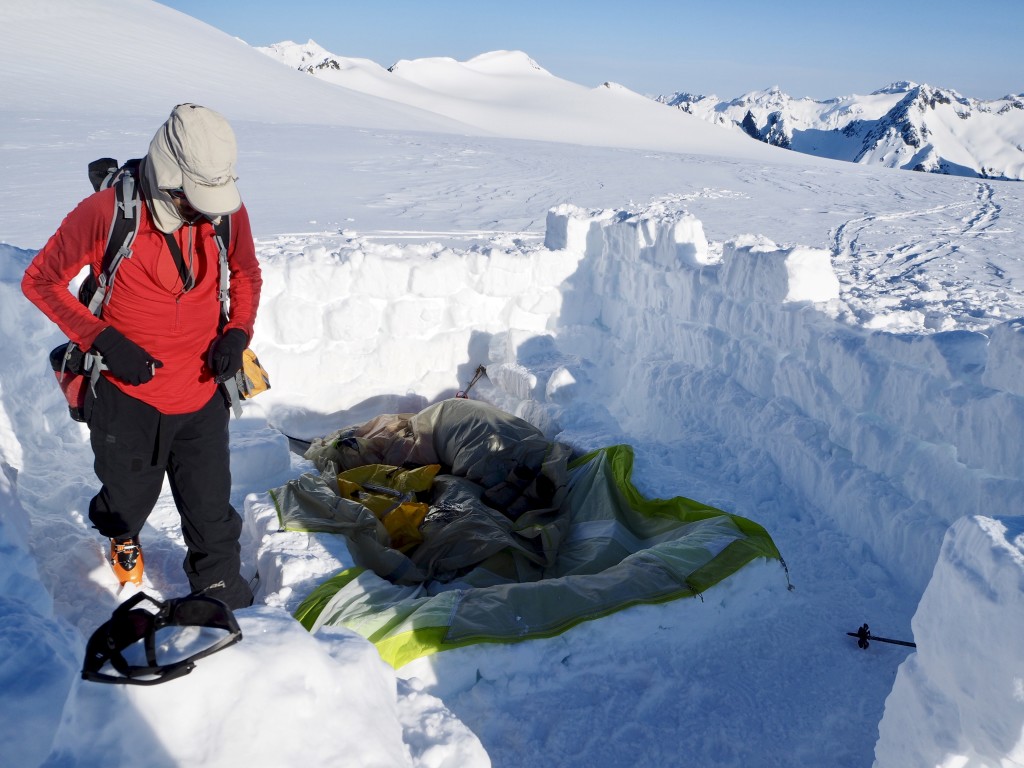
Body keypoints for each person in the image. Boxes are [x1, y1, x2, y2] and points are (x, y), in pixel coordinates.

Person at [22, 104, 262, 609]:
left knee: (211, 511)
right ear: (169, 178)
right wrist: (104, 342)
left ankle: (226, 601)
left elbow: (244, 275)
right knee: (127, 497)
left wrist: (236, 334)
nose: (206, 213)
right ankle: (121, 532)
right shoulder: (106, 214)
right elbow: (40, 280)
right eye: (194, 201)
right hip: (125, 395)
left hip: (201, 391)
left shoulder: (225, 212)